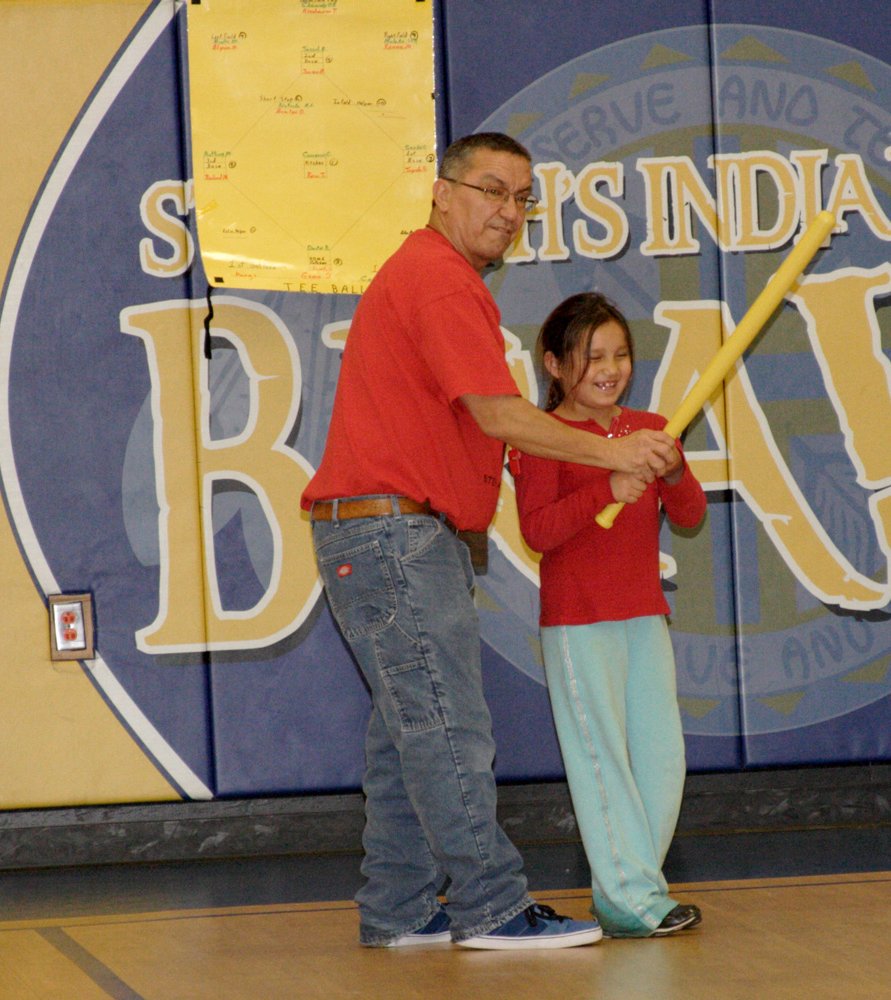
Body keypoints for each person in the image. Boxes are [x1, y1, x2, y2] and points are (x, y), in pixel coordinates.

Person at [301, 132, 679, 949]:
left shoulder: (436, 279)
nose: (507, 212)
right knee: (446, 727)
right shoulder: (438, 280)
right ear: (440, 192)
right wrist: (611, 451)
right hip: (393, 534)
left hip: (395, 535)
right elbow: (499, 414)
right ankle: (493, 907)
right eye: (490, 190)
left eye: (521, 199)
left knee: (409, 735)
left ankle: (400, 907)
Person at [509, 292, 706, 938]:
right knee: (601, 763)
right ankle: (632, 897)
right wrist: (608, 486)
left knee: (660, 760)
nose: (610, 367)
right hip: (577, 622)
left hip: (643, 615)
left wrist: (672, 470)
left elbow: (690, 515)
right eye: (592, 355)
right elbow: (537, 530)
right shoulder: (541, 439)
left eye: (620, 353)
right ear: (554, 365)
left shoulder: (647, 426)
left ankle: (627, 892)